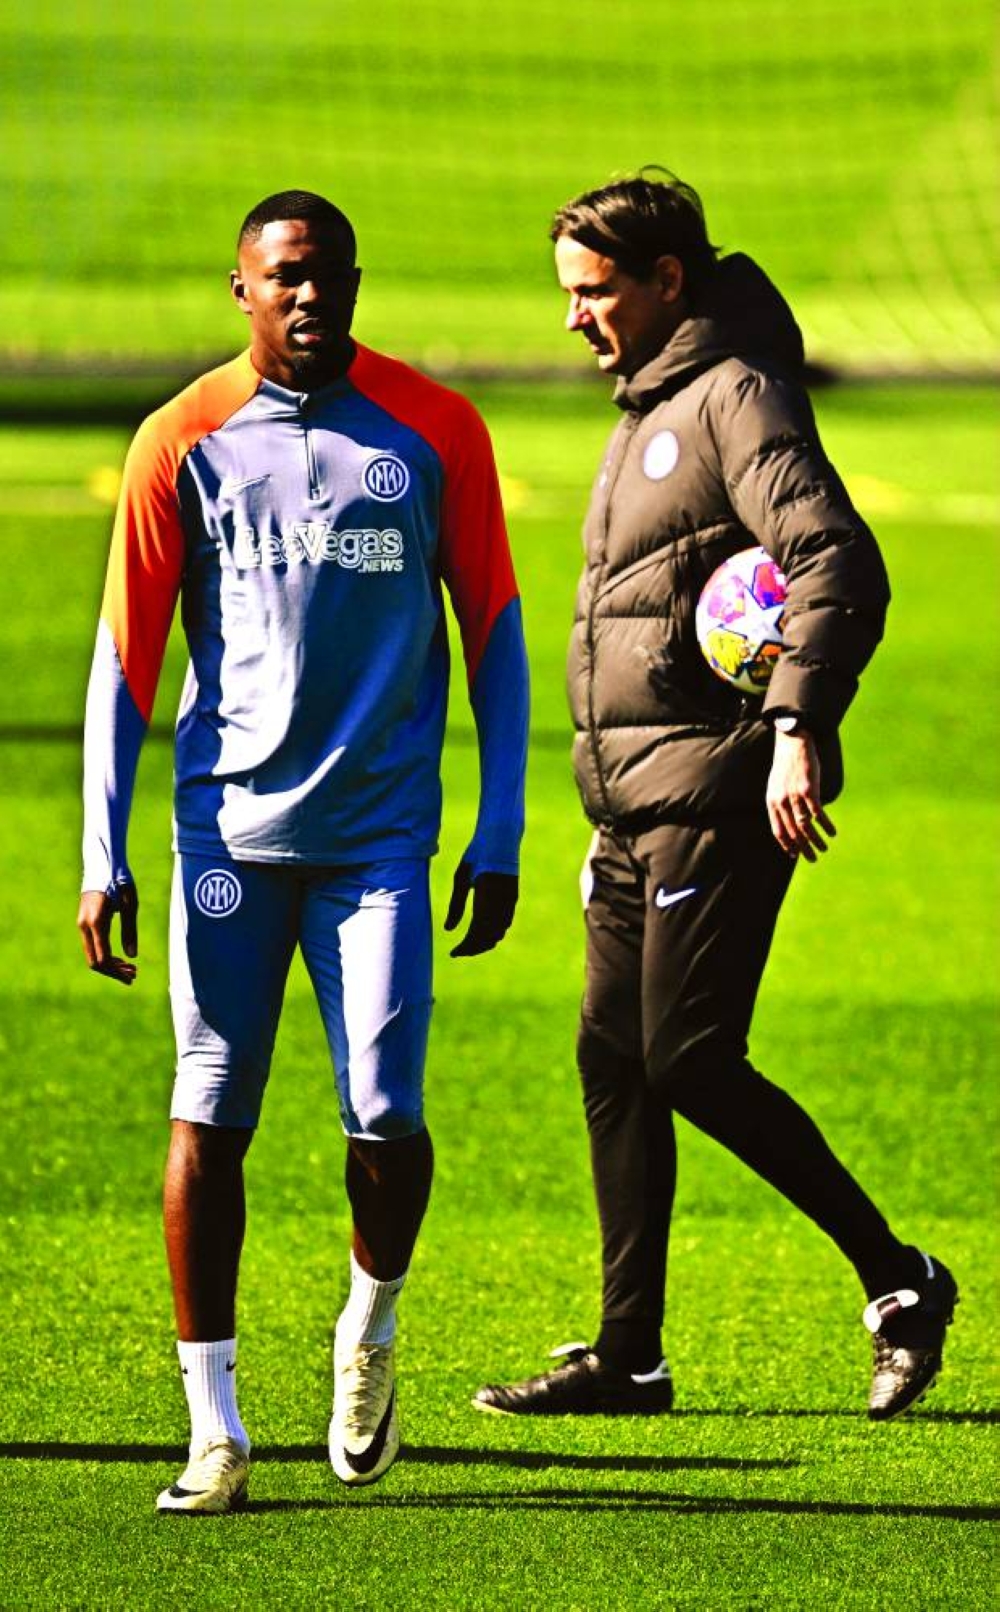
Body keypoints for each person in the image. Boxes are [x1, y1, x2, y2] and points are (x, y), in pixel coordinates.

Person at [473, 170, 955, 1424]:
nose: (573, 317)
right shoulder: (648, 405)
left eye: (593, 292)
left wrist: (796, 725)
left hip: (723, 790)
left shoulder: (734, 395)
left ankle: (899, 1280)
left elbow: (835, 559)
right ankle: (626, 1356)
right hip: (638, 808)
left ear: (666, 280)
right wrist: (609, 812)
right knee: (612, 1057)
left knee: (686, 1055)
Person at [77, 190, 529, 1513]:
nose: (310, 295)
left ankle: (367, 1330)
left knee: (384, 1111)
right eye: (285, 276)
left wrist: (499, 823)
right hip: (228, 840)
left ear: (356, 281)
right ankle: (213, 1429)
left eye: (330, 273)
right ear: (243, 290)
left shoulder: (437, 429)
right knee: (207, 1114)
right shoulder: (180, 438)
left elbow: (495, 632)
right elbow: (124, 659)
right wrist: (101, 851)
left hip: (378, 843)